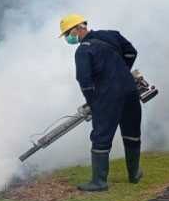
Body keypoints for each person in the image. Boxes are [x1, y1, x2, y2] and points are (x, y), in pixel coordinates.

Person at [59, 14, 142, 191]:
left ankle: (99, 182)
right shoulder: (112, 35)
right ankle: (134, 175)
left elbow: (84, 81)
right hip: (130, 91)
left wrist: (92, 102)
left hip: (107, 97)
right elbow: (131, 52)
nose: (68, 38)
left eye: (67, 33)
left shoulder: (83, 51)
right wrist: (121, 71)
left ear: (76, 29)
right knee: (131, 133)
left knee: (101, 137)